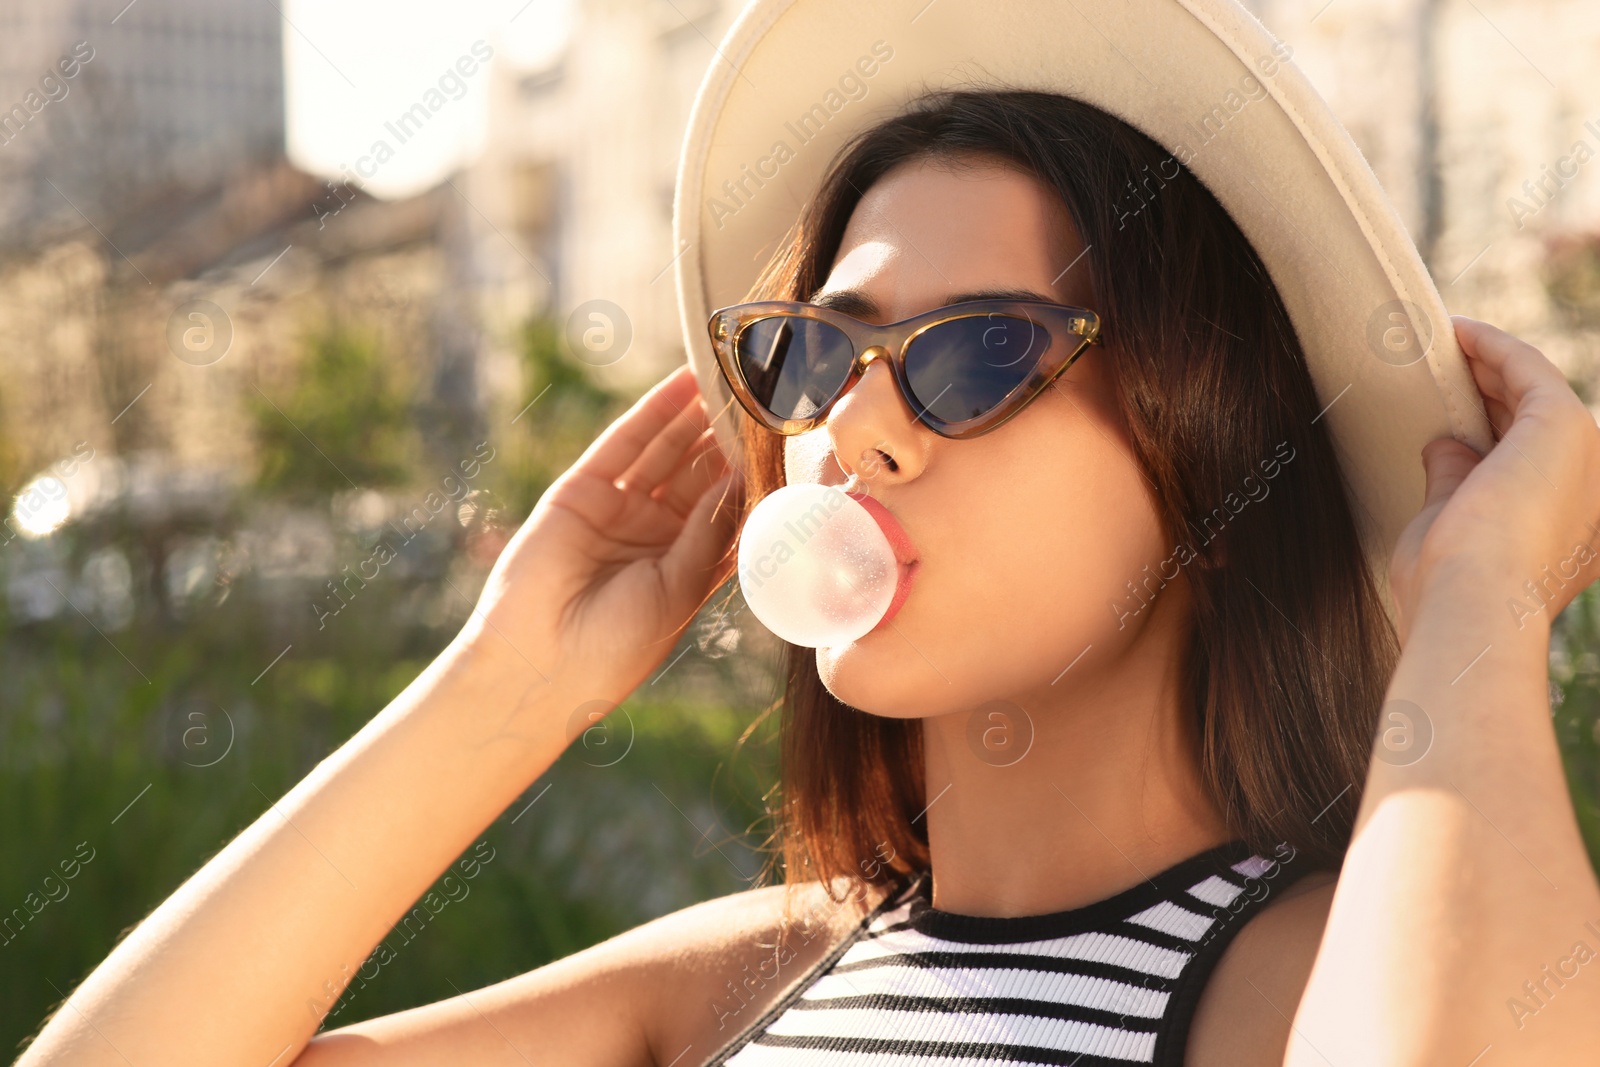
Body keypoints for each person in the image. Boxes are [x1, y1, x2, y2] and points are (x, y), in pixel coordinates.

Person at [21, 39, 1600, 1067]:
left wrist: (1476, 609)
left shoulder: (1303, 978)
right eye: (804, 359)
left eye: (974, 354)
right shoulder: (747, 986)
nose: (851, 427)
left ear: (1211, 461)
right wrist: (505, 693)